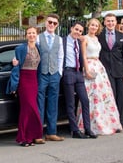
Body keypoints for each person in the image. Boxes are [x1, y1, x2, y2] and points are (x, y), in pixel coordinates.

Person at [77, 18, 123, 135]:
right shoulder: (84, 39)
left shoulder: (97, 39)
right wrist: (86, 69)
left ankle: (107, 122)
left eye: (96, 26)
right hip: (90, 66)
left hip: (99, 67)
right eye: (92, 25)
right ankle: (90, 124)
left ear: (98, 28)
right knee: (92, 95)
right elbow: (83, 55)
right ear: (88, 26)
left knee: (104, 95)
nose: (93, 27)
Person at [6, 27, 44, 147]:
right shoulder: (21, 48)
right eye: (29, 33)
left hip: (34, 81)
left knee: (30, 110)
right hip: (24, 80)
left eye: (33, 33)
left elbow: (40, 67)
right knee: (28, 109)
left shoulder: (39, 48)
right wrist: (14, 84)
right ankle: (22, 138)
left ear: (36, 35)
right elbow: (16, 67)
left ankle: (30, 137)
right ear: (26, 35)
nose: (31, 35)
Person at [61, 22, 97, 139]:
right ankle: (75, 130)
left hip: (78, 73)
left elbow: (84, 56)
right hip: (68, 72)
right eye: (76, 29)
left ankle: (88, 129)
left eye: (80, 31)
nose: (78, 32)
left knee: (85, 101)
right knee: (71, 103)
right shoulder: (63, 41)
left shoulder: (80, 42)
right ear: (71, 28)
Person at [98, 13, 123, 132]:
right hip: (106, 71)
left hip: (120, 70)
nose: (110, 23)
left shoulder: (121, 36)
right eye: (108, 21)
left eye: (112, 21)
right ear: (104, 22)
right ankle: (112, 122)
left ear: (116, 22)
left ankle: (122, 122)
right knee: (110, 97)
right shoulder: (99, 36)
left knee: (121, 97)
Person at [37, 13, 65, 141]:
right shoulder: (38, 38)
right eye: (50, 22)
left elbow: (60, 57)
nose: (51, 24)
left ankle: (51, 132)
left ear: (57, 25)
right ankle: (38, 134)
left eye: (54, 23)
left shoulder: (59, 39)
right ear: (45, 23)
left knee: (53, 104)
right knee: (40, 104)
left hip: (54, 75)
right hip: (42, 74)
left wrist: (59, 73)